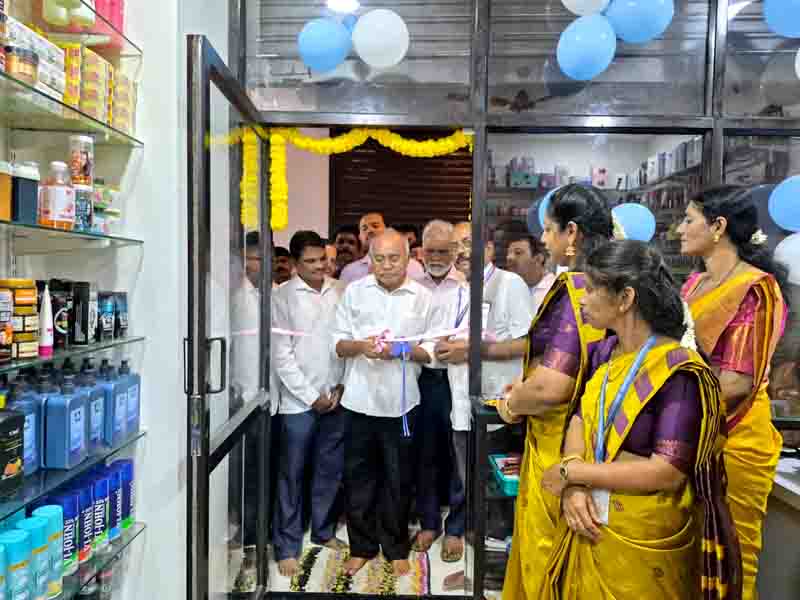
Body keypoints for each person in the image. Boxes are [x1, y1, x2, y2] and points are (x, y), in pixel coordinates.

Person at [537, 241, 741, 600]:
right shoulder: (604, 352)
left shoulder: (679, 372)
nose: (582, 299)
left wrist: (573, 473)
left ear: (625, 298)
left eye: (592, 289)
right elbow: (580, 419)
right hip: (587, 521)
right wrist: (574, 485)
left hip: (644, 544)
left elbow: (666, 471)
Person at [498, 184, 614, 600]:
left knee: (549, 558)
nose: (544, 239)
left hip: (562, 442)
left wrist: (512, 402)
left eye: (549, 230)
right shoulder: (614, 281)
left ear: (572, 232)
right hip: (605, 438)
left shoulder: (580, 290)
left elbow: (553, 386)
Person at [677, 185, 788, 599]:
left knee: (730, 560)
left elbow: (737, 384)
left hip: (734, 440)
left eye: (689, 219)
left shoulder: (756, 289)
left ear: (718, 227)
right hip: (691, 435)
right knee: (686, 561)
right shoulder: (694, 284)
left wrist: (669, 413)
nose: (679, 229)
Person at [431, 221, 534, 588]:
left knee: (497, 493)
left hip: (497, 408)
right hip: (463, 406)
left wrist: (470, 350)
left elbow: (527, 343)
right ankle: (480, 571)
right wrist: (443, 348)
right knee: (473, 488)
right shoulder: (458, 290)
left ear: (488, 249)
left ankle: (498, 577)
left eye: (466, 243)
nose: (459, 252)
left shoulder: (509, 284)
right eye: (454, 245)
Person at [332, 229, 436, 577]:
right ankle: (361, 547)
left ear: (408, 259)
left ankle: (395, 548)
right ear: (369, 260)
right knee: (358, 478)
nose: (387, 265)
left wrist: (398, 350)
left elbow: (431, 352)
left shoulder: (422, 297)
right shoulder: (355, 291)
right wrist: (361, 346)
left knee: (399, 478)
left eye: (394, 258)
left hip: (402, 403)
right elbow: (337, 344)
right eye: (379, 258)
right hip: (358, 400)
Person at [272, 231, 348, 577]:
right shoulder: (282, 297)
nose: (320, 267)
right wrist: (310, 396)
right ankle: (287, 546)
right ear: (294, 263)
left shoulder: (340, 290)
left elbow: (346, 341)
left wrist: (341, 387)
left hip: (336, 398)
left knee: (329, 470)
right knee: (292, 474)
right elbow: (281, 355)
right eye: (311, 261)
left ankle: (323, 531)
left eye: (323, 260)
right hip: (298, 402)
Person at [412, 220, 466, 562]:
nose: (435, 257)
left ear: (455, 252)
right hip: (422, 379)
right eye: (430, 250)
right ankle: (429, 522)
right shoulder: (411, 287)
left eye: (443, 251)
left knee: (459, 456)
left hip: (458, 379)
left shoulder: (467, 286)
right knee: (425, 453)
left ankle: (456, 527)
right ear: (420, 251)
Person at [339, 212, 425, 284]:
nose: (369, 231)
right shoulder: (349, 271)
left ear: (388, 230)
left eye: (375, 226)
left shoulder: (413, 266)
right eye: (364, 228)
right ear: (360, 237)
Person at [505, 232, 556, 315]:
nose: (509, 258)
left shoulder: (556, 291)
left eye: (518, 253)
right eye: (508, 253)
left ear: (538, 259)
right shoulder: (507, 289)